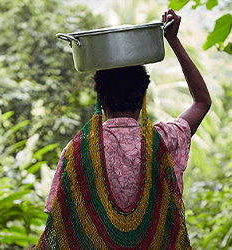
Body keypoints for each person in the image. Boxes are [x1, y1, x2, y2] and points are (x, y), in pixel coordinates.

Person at [33, 8, 211, 249]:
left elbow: (60, 224)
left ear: (101, 101)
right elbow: (202, 102)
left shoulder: (77, 150)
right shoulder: (164, 140)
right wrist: (173, 40)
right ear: (143, 98)